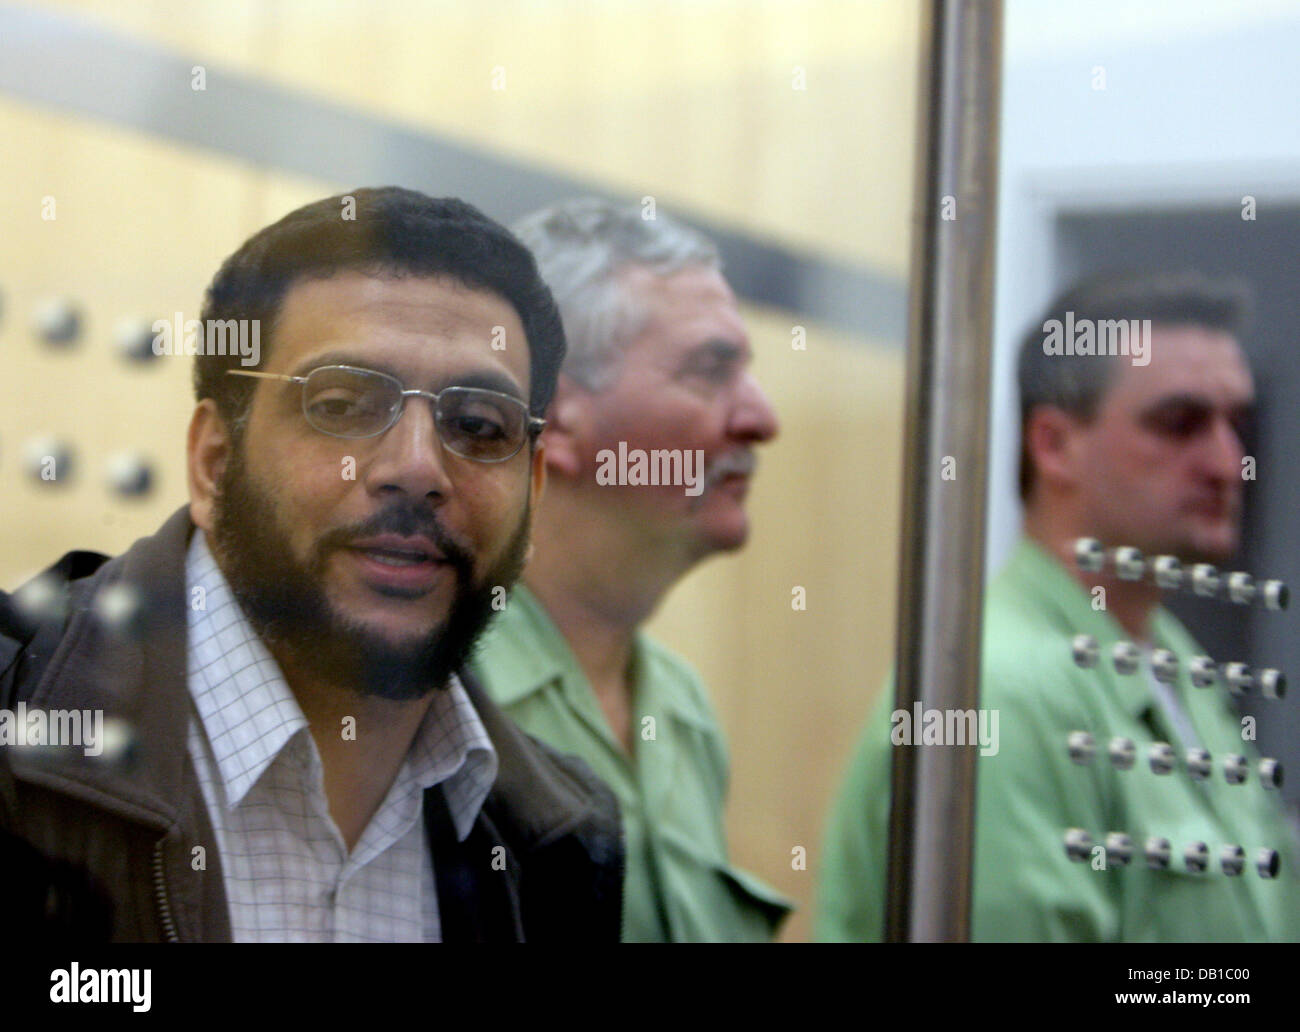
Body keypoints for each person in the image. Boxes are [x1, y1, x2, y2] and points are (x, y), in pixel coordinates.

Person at [0, 187, 623, 942]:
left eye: (479, 426)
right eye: (343, 403)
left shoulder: (560, 839)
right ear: (213, 462)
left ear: (531, 490)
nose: (418, 467)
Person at [818, 270, 1300, 941]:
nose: (1226, 462)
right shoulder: (1001, 692)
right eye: (1180, 423)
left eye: (1236, 423)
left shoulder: (1172, 667)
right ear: (1053, 445)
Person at [470, 198, 792, 941]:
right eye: (711, 371)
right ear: (556, 419)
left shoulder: (680, 710)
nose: (761, 417)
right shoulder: (437, 705)